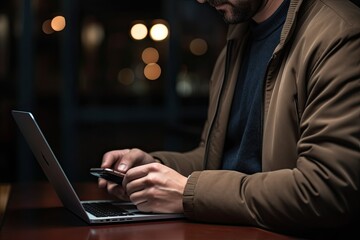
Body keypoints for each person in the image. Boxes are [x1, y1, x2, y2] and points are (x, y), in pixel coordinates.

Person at [98, 0, 360, 237]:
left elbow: (327, 190)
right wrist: (154, 168)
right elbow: (217, 158)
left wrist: (188, 192)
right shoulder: (237, 40)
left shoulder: (339, 34)